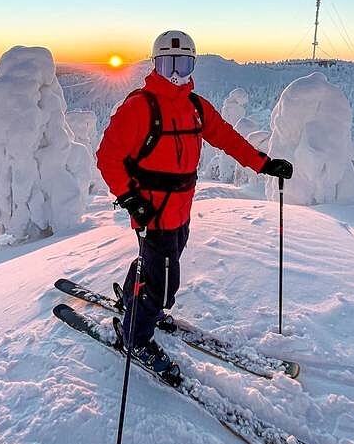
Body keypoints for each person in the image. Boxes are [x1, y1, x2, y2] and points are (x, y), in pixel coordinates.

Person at [96, 30, 293, 377]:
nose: (176, 72)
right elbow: (108, 157)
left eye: (184, 63)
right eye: (169, 63)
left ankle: (134, 301)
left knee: (157, 267)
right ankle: (135, 336)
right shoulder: (139, 107)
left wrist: (263, 164)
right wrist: (130, 199)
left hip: (181, 210)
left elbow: (228, 138)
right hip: (152, 213)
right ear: (156, 64)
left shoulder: (195, 107)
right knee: (163, 285)